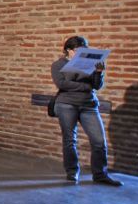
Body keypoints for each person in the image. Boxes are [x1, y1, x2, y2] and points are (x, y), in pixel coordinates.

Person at [51, 36, 122, 186]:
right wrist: (85, 87)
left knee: (99, 141)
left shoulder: (89, 64)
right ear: (68, 51)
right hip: (67, 104)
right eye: (77, 51)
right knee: (70, 140)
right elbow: (62, 84)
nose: (80, 53)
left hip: (89, 105)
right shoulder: (58, 64)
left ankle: (100, 175)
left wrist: (99, 72)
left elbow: (96, 86)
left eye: (83, 50)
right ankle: (72, 173)